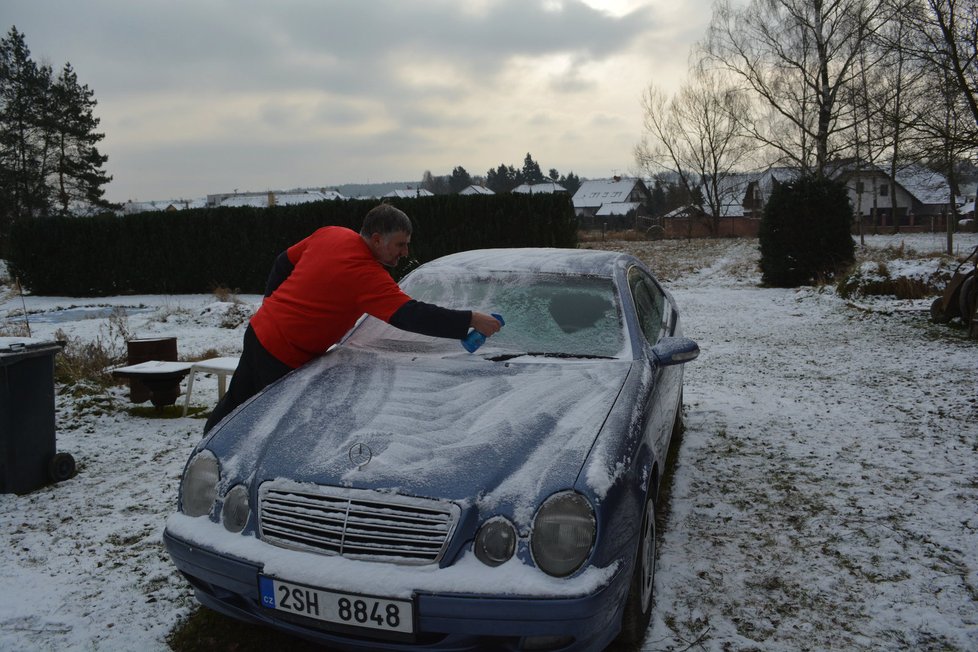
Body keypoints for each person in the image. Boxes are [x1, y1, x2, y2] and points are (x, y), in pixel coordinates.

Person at [203, 203, 502, 433]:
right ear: (376, 239)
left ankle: (205, 453)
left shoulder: (331, 233)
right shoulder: (366, 275)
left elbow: (283, 261)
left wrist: (271, 303)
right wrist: (470, 319)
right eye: (400, 244)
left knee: (234, 405)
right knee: (274, 426)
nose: (405, 252)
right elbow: (410, 315)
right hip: (283, 355)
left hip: (259, 331)